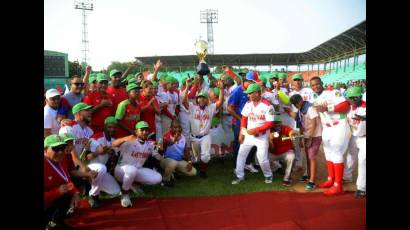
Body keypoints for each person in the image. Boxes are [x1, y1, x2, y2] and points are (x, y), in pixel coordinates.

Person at [310, 76, 351, 196]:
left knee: (337, 153)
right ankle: (330, 179)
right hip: (327, 127)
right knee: (328, 153)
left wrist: (328, 108)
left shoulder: (333, 92)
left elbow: (345, 105)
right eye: (312, 85)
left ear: (321, 83)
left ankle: (338, 185)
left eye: (317, 84)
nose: (315, 87)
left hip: (339, 125)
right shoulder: (314, 96)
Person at [112, 121, 163, 208]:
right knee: (132, 170)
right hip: (121, 170)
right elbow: (113, 144)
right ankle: (125, 194)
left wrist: (161, 149)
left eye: (146, 130)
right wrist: (125, 138)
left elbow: (158, 157)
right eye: (142, 130)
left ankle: (133, 184)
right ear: (136, 131)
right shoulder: (129, 140)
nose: (145, 132)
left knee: (158, 178)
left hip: (136, 170)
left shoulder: (149, 144)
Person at [232, 83, 275, 185]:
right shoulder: (248, 104)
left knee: (262, 158)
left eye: (250, 93)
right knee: (241, 154)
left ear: (256, 93)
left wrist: (256, 130)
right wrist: (241, 133)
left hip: (262, 136)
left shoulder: (268, 105)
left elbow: (270, 123)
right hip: (249, 135)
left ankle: (268, 175)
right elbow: (244, 118)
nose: (248, 95)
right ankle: (239, 176)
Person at [181, 79, 224, 178]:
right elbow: (183, 101)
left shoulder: (210, 108)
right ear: (197, 99)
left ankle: (203, 171)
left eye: (204, 98)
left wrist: (221, 89)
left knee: (205, 156)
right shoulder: (192, 107)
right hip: (194, 137)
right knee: (197, 157)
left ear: (207, 99)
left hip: (205, 136)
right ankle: (198, 166)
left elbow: (220, 102)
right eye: (199, 98)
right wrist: (187, 87)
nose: (202, 100)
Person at [44, 134, 80, 230]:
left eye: (62, 148)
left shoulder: (59, 161)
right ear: (45, 149)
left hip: (49, 201)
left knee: (68, 193)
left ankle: (56, 223)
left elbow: (66, 180)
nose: (60, 152)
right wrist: (57, 192)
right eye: (56, 148)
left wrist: (75, 193)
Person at [85, 117, 122, 207]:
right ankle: (93, 196)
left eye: (114, 127)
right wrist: (100, 152)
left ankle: (94, 185)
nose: (112, 130)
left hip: (102, 169)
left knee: (116, 191)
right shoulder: (96, 138)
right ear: (104, 127)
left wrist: (112, 154)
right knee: (101, 168)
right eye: (109, 127)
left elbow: (115, 159)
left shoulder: (114, 141)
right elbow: (87, 157)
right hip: (90, 168)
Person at [228, 71, 260, 173]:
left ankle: (247, 163)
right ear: (247, 81)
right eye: (253, 82)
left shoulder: (253, 90)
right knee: (239, 143)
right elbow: (229, 108)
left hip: (251, 121)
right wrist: (240, 119)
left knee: (253, 142)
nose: (255, 84)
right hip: (238, 121)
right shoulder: (237, 91)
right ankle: (236, 167)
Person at [290, 94, 322, 191]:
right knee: (307, 156)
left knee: (311, 157)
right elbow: (300, 125)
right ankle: (308, 175)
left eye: (297, 103)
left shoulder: (310, 108)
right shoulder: (300, 110)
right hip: (307, 135)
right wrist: (301, 139)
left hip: (315, 135)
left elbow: (314, 123)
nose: (296, 105)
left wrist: (310, 138)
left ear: (301, 100)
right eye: (294, 104)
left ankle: (312, 181)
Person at [343, 86, 366, 198]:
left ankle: (362, 188)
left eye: (355, 97)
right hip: (354, 136)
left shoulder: (365, 107)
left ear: (360, 97)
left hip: (365, 138)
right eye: (350, 98)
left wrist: (364, 118)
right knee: (350, 156)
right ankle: (347, 176)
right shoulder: (349, 108)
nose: (352, 100)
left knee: (362, 161)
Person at [160, 120, 197, 186]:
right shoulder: (167, 135)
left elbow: (186, 151)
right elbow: (168, 142)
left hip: (178, 161)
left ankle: (174, 173)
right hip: (166, 160)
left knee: (193, 172)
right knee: (173, 163)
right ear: (171, 128)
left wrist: (189, 162)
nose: (177, 129)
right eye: (175, 127)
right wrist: (174, 139)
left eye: (179, 127)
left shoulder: (183, 137)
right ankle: (165, 180)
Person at [268, 116, 297, 186]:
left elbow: (292, 132)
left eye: (279, 123)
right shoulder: (269, 131)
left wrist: (292, 135)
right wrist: (270, 140)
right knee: (260, 157)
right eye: (275, 123)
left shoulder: (285, 128)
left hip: (286, 152)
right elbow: (271, 149)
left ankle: (286, 179)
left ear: (281, 123)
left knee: (291, 156)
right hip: (274, 153)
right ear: (272, 124)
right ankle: (276, 168)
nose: (278, 125)